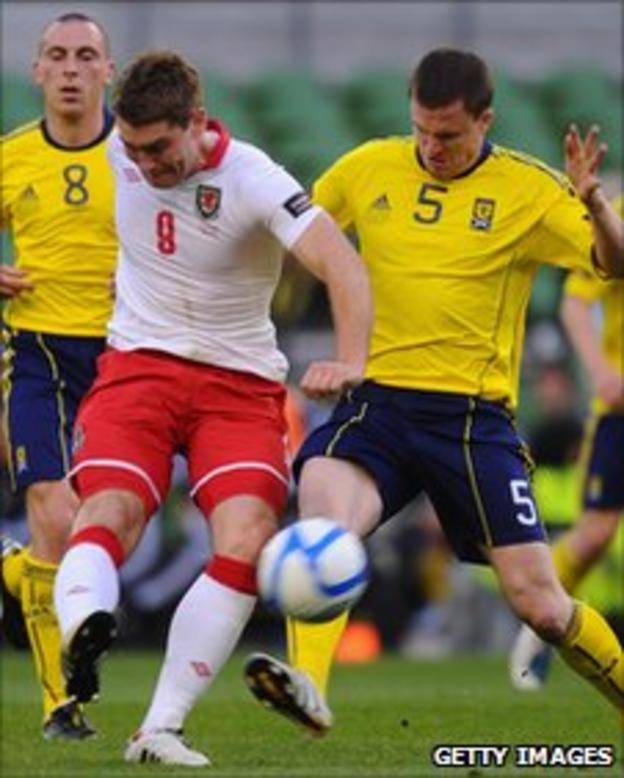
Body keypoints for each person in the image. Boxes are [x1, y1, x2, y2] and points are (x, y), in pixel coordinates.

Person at [242, 48, 624, 735]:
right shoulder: (367, 168)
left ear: (486, 120)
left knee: (539, 604)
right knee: (325, 527)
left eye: (448, 135)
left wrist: (594, 202)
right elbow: (291, 239)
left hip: (471, 422)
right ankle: (310, 690)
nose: (432, 147)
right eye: (421, 129)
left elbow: (613, 263)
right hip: (378, 402)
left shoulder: (531, 192)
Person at [51, 50, 371, 767]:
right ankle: (84, 627)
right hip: (138, 368)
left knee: (247, 535)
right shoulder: (112, 147)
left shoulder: (254, 178)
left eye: (160, 148)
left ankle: (159, 729)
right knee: (112, 511)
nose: (146, 164)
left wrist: (351, 360)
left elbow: (343, 264)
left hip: (238, 383)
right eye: (132, 149)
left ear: (197, 122)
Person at [0, 13, 116, 739]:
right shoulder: (11, 157)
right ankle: (59, 705)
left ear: (109, 70)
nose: (70, 69)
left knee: (95, 527)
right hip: (37, 351)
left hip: (125, 356)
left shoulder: (138, 155)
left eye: (85, 56)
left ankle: (19, 576)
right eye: (56, 57)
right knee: (54, 512)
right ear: (37, 72)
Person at [509, 194, 623, 691]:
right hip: (619, 408)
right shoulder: (619, 212)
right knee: (596, 532)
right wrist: (601, 372)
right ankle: (534, 633)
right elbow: (577, 302)